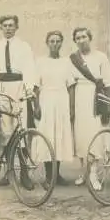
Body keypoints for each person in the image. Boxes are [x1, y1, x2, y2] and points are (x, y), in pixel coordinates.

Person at [0, 14, 37, 189]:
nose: (8, 28)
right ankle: (9, 172)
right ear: (1, 28)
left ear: (16, 27)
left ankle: (24, 173)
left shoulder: (24, 47)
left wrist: (29, 89)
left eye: (11, 25)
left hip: (18, 87)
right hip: (1, 88)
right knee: (6, 131)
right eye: (5, 25)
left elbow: (30, 68)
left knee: (21, 130)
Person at [69, 27, 110, 190]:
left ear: (90, 38)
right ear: (75, 41)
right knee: (81, 136)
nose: (81, 40)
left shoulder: (100, 57)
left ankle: (94, 173)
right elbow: (69, 82)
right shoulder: (73, 59)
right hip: (79, 97)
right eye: (78, 38)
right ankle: (84, 171)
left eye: (84, 37)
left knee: (94, 136)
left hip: (96, 98)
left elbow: (109, 82)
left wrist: (108, 104)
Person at [34, 30, 75, 188]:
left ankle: (57, 175)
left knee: (59, 137)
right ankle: (48, 176)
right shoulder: (40, 62)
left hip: (62, 101)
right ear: (47, 43)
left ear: (61, 43)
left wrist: (71, 108)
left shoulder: (66, 62)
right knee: (47, 136)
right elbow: (36, 87)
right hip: (46, 101)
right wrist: (36, 105)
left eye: (58, 41)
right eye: (52, 41)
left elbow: (71, 86)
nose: (55, 44)